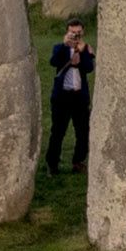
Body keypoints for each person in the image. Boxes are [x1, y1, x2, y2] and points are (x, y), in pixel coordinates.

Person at [45, 22, 94, 175]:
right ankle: (52, 164)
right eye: (72, 32)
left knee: (83, 132)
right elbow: (53, 62)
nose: (76, 35)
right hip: (62, 97)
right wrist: (65, 45)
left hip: (79, 97)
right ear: (67, 32)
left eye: (78, 32)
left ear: (83, 32)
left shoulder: (86, 48)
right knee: (58, 132)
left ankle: (78, 162)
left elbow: (89, 68)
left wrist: (84, 51)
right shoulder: (59, 47)